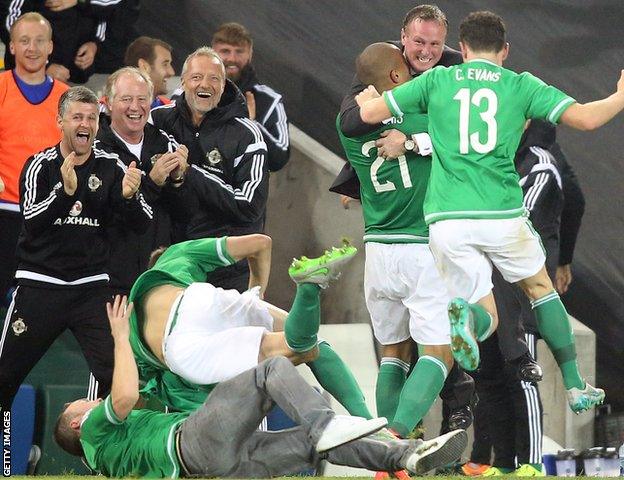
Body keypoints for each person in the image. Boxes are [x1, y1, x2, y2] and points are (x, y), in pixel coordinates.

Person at [358, 10, 624, 412]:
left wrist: (369, 102)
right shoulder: (520, 85)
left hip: (446, 221)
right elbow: (586, 119)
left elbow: (370, 116)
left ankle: (469, 319)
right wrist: (621, 95)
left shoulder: (437, 80)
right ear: (505, 50)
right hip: (500, 213)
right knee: (539, 288)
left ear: (461, 49)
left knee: (488, 314)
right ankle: (574, 385)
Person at [54, 295, 469, 478]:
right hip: (192, 443)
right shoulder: (94, 433)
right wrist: (120, 335)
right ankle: (327, 422)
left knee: (313, 446)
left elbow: (136, 397)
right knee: (270, 370)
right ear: (76, 424)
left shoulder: (107, 455)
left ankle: (407, 457)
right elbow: (123, 396)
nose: (90, 402)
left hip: (214, 467)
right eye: (81, 404)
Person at [333, 4, 476, 438]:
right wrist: (416, 140)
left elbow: (354, 120)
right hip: (421, 247)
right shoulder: (423, 113)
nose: (428, 53)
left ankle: (385, 449)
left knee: (393, 353)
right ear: (400, 67)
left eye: (436, 44)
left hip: (378, 248)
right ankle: (395, 437)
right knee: (440, 352)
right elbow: (461, 136)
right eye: (417, 45)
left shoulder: (350, 126)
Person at [0, 86, 153, 414]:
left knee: (120, 379)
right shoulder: (40, 165)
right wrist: (64, 192)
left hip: (90, 290)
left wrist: (129, 198)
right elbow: (32, 221)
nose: (85, 123)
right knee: (4, 378)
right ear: (60, 121)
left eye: (92, 118)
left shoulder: (112, 166)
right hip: (40, 286)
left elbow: (143, 223)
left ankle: (114, 461)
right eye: (77, 117)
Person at [128, 235, 374, 422]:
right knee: (313, 346)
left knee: (292, 351)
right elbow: (261, 243)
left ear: (152, 270)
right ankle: (369, 422)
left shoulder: (129, 323)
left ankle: (309, 287)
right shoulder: (178, 254)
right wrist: (255, 296)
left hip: (180, 344)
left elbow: (131, 394)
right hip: (199, 299)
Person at [151, 46, 268, 292]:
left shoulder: (246, 134)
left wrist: (192, 173)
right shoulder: (158, 121)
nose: (205, 85)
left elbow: (250, 206)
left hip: (226, 270)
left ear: (224, 85)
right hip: (174, 264)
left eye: (214, 78)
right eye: (196, 77)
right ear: (182, 82)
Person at [97, 67, 190, 296]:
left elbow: (185, 213)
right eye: (126, 99)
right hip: (110, 282)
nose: (135, 107)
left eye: (142, 99)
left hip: (159, 277)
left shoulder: (165, 143)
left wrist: (179, 181)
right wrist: (154, 182)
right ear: (108, 103)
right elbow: (112, 215)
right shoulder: (96, 152)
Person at [0, 12, 68, 310]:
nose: (32, 48)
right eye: (24, 40)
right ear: (11, 46)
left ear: (51, 46)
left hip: (51, 217)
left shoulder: (68, 98)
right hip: (4, 213)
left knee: (40, 307)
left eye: (39, 41)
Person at [212, 22, 290, 172]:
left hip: (245, 192)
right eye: (225, 51)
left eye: (239, 51)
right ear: (213, 51)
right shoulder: (191, 93)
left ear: (250, 54)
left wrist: (252, 125)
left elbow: (280, 159)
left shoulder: (270, 100)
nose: (232, 58)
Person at [1, 0, 120, 83]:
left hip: (80, 75)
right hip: (30, 77)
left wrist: (95, 43)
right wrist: (44, 64)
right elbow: (10, 24)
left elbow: (106, 10)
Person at [124, 36, 175, 108]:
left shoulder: (170, 109)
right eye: (165, 64)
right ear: (144, 66)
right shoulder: (109, 110)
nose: (171, 72)